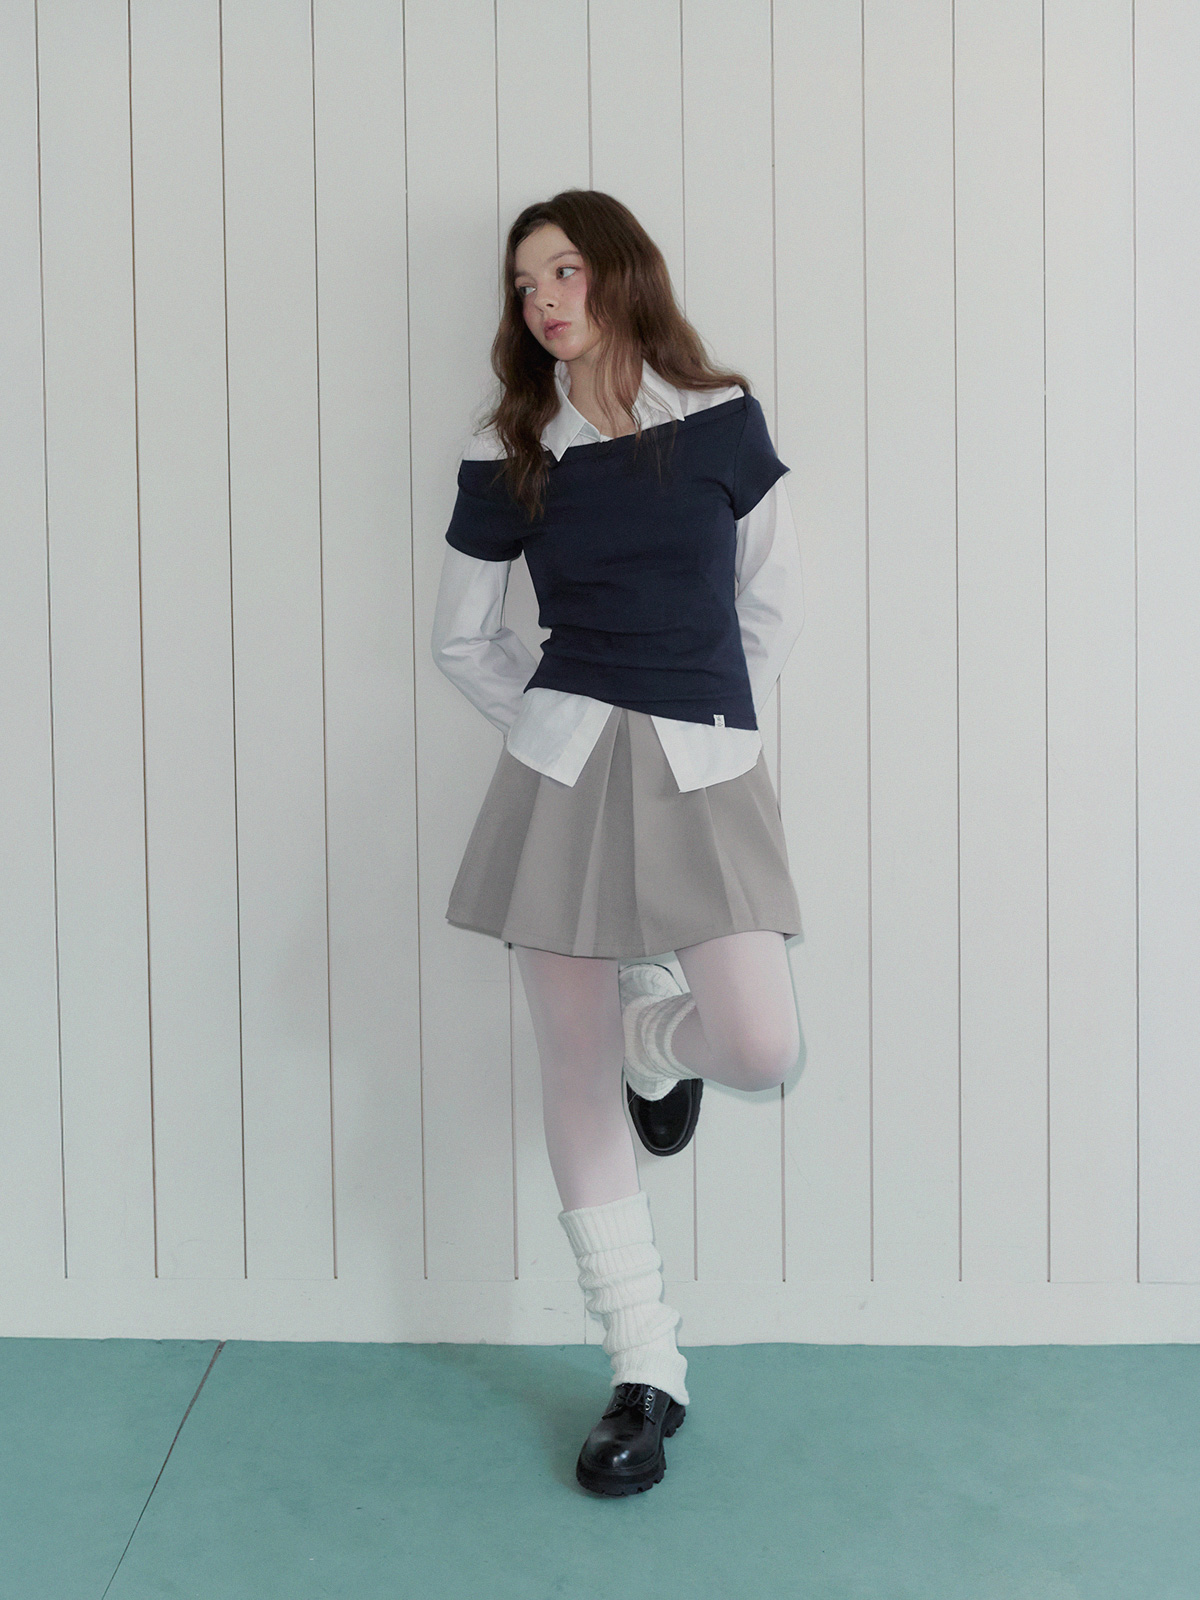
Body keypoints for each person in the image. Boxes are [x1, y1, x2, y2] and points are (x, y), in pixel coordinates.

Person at [430, 188, 804, 1496]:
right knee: (572, 1066)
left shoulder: (722, 421)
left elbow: (767, 607)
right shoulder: (509, 449)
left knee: (759, 1043)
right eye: (525, 282)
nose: (544, 299)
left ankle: (661, 1043)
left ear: (621, 271)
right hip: (564, 770)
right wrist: (556, 724)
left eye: (565, 270)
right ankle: (643, 1368)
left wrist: (712, 728)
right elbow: (461, 640)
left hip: (705, 760)